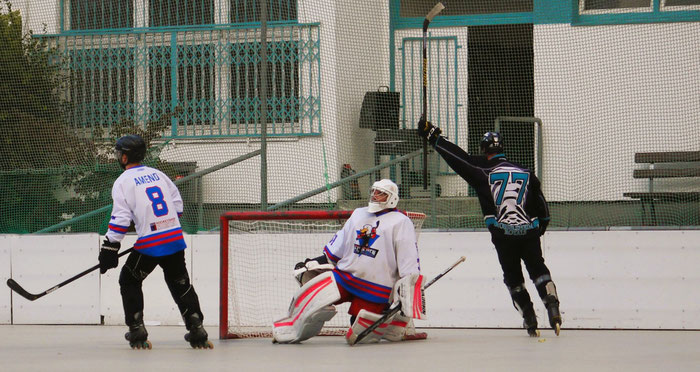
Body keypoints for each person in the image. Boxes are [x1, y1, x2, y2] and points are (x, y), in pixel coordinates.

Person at [416, 119, 562, 336]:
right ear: (502, 148)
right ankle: (552, 306)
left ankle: (530, 318)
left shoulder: (480, 169)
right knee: (539, 271)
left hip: (503, 236)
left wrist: (434, 137)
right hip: (529, 232)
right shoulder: (526, 172)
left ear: (484, 150)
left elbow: (457, 158)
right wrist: (537, 229)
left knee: (514, 279)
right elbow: (543, 209)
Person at [272, 179, 427, 344]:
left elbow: (408, 261)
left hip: (375, 287)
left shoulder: (401, 221)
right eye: (373, 191)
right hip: (344, 277)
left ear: (392, 198)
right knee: (311, 304)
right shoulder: (359, 213)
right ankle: (290, 330)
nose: (375, 196)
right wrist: (313, 262)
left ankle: (388, 322)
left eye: (380, 193)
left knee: (358, 331)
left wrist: (406, 297)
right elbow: (337, 248)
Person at [98, 134, 213, 349]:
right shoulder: (158, 174)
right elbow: (177, 204)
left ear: (124, 157)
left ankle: (136, 329)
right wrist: (163, 225)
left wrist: (110, 246)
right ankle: (196, 326)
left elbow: (121, 218)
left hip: (151, 243)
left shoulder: (123, 181)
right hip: (174, 238)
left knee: (129, 279)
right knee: (180, 282)